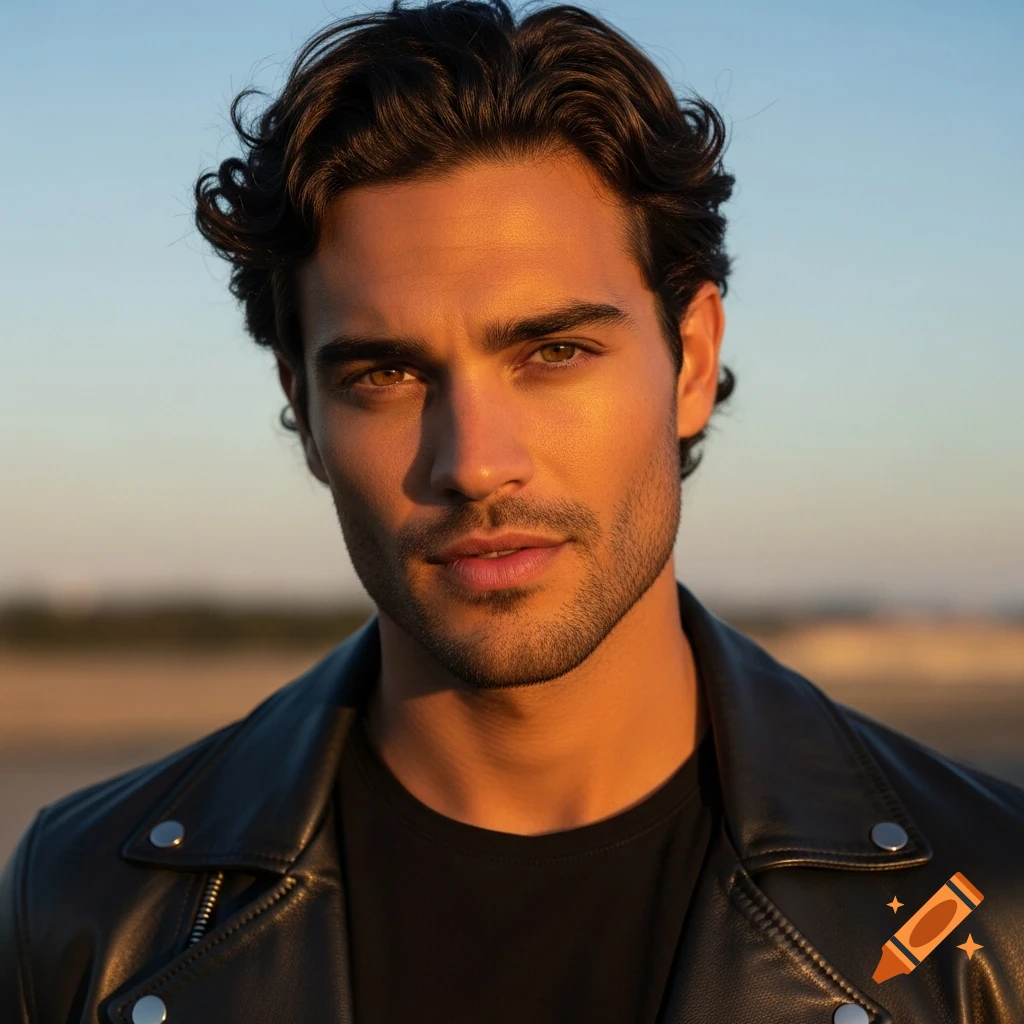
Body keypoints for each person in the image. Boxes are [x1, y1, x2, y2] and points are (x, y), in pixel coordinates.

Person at [2, 2, 1022, 1022]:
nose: (475, 465)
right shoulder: (86, 903)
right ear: (302, 409)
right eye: (386, 373)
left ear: (693, 360)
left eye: (554, 352)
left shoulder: (1000, 915)